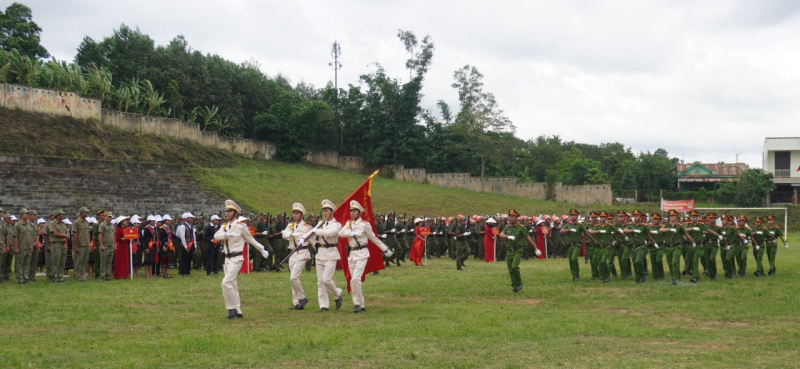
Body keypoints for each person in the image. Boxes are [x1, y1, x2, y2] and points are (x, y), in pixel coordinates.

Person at [214, 199, 270, 319]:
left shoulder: (241, 226)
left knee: (226, 282)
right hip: (227, 258)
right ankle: (238, 310)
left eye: (230, 211)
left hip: (237, 257)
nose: (227, 213)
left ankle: (231, 308)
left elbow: (250, 239)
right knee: (232, 284)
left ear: (235, 213)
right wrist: (226, 235)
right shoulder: (224, 226)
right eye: (226, 211)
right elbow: (216, 236)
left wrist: (261, 249)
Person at [339, 200, 393, 313]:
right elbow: (341, 233)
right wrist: (352, 233)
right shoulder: (348, 224)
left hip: (362, 253)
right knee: (354, 281)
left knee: (355, 279)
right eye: (351, 211)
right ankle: (361, 303)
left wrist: (385, 249)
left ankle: (357, 304)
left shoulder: (365, 224)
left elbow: (373, 238)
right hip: (351, 254)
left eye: (354, 211)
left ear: (359, 213)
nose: (352, 213)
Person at [282, 203, 316, 310]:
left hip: (302, 253)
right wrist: (291, 235)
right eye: (294, 213)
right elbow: (284, 234)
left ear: (302, 215)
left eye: (297, 214)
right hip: (292, 253)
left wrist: (319, 252)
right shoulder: (290, 225)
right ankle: (297, 303)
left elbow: (313, 241)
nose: (295, 215)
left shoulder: (307, 227)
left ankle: (302, 298)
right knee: (294, 279)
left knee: (294, 277)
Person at [312, 199, 344, 312]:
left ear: (332, 212)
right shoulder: (320, 224)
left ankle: (337, 294)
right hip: (320, 254)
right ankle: (324, 305)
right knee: (320, 281)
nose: (324, 213)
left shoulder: (337, 224)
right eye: (323, 211)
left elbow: (330, 233)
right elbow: (312, 236)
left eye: (326, 211)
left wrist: (317, 231)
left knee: (326, 279)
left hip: (331, 254)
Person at [498, 209, 538, 292]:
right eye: (510, 217)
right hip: (509, 251)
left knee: (514, 267)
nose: (511, 218)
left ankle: (519, 283)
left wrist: (535, 248)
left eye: (513, 217)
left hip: (518, 250)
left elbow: (529, 239)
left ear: (516, 218)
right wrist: (507, 237)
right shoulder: (507, 227)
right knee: (510, 270)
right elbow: (500, 234)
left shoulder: (521, 228)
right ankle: (515, 287)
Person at [561, 209, 595, 281]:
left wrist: (594, 241)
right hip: (570, 245)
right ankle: (573, 275)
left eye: (574, 215)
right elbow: (561, 231)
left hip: (577, 244)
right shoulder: (568, 225)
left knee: (574, 258)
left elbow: (586, 233)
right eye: (572, 215)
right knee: (571, 260)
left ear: (577, 216)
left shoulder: (580, 225)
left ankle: (577, 275)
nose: (572, 216)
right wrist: (569, 230)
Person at [47, 209, 69, 283]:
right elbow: (54, 233)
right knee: (56, 261)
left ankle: (60, 276)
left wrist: (65, 237)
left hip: (63, 244)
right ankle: (55, 277)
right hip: (56, 244)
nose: (63, 216)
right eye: (62, 214)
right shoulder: (52, 223)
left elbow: (67, 232)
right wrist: (64, 236)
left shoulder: (63, 224)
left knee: (62, 261)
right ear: (58, 215)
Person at [71, 207, 92, 282]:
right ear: (81, 213)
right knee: (78, 261)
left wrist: (89, 244)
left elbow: (88, 234)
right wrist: (76, 246)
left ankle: (83, 276)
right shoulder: (77, 222)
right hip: (80, 244)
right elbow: (75, 235)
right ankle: (77, 275)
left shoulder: (86, 222)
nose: (86, 214)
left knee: (84, 261)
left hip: (86, 244)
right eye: (85, 212)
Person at [176, 213, 197, 277]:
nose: (191, 219)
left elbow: (193, 236)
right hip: (185, 244)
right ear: (186, 219)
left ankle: (188, 271)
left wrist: (195, 245)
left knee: (189, 258)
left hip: (191, 243)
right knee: (183, 258)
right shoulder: (182, 226)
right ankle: (183, 272)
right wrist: (185, 246)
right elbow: (182, 237)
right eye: (190, 218)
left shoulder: (191, 226)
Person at [97, 212, 115, 281]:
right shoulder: (102, 225)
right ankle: (102, 275)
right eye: (109, 217)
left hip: (111, 246)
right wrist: (101, 245)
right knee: (103, 262)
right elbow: (100, 235)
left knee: (109, 262)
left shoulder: (112, 225)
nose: (110, 218)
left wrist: (114, 244)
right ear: (105, 217)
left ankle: (108, 275)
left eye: (111, 217)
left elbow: (114, 235)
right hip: (105, 245)